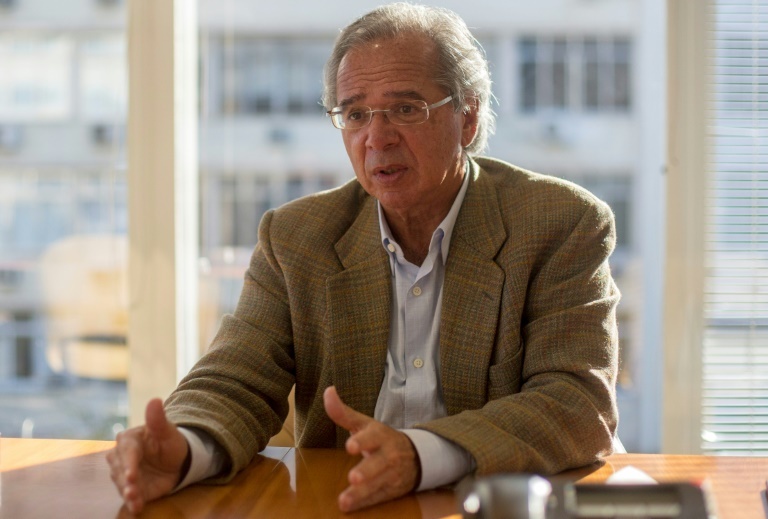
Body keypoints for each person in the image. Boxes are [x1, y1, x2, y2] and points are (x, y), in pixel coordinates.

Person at [107, 2, 620, 514]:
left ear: (467, 117)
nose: (377, 138)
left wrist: (420, 454)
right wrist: (184, 448)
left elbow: (576, 403)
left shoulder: (560, 222)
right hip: (343, 502)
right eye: (355, 114)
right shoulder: (296, 237)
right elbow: (236, 378)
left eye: (406, 109)